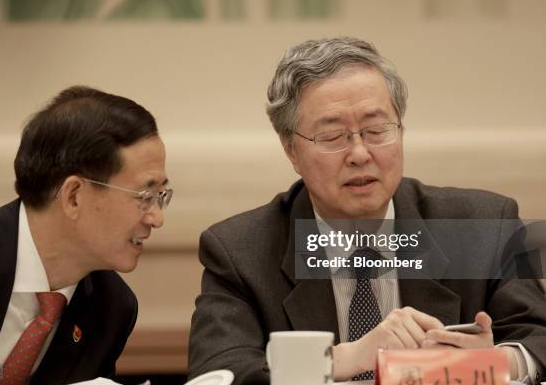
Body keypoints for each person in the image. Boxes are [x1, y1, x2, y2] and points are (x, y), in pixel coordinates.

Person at [188, 37, 546, 384]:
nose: (360, 153)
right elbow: (218, 374)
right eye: (332, 137)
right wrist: (344, 358)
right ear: (291, 151)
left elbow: (539, 337)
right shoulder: (239, 250)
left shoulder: (486, 223)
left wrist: (494, 363)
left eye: (377, 130)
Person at [0, 86, 172, 384]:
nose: (157, 218)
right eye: (144, 195)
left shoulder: (111, 309)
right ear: (73, 196)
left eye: (160, 196)